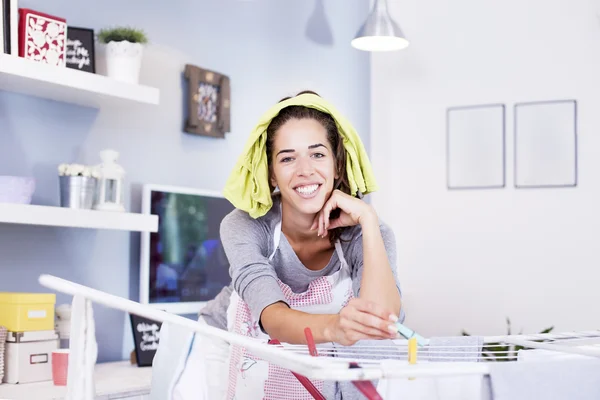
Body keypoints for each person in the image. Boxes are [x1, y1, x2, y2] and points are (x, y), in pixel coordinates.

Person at [156, 91, 405, 400]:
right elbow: (272, 318)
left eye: (317, 154)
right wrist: (337, 328)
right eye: (288, 158)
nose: (304, 170)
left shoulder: (368, 232)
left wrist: (368, 220)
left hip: (322, 347)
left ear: (337, 165)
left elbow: (380, 321)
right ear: (272, 173)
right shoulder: (244, 225)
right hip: (229, 346)